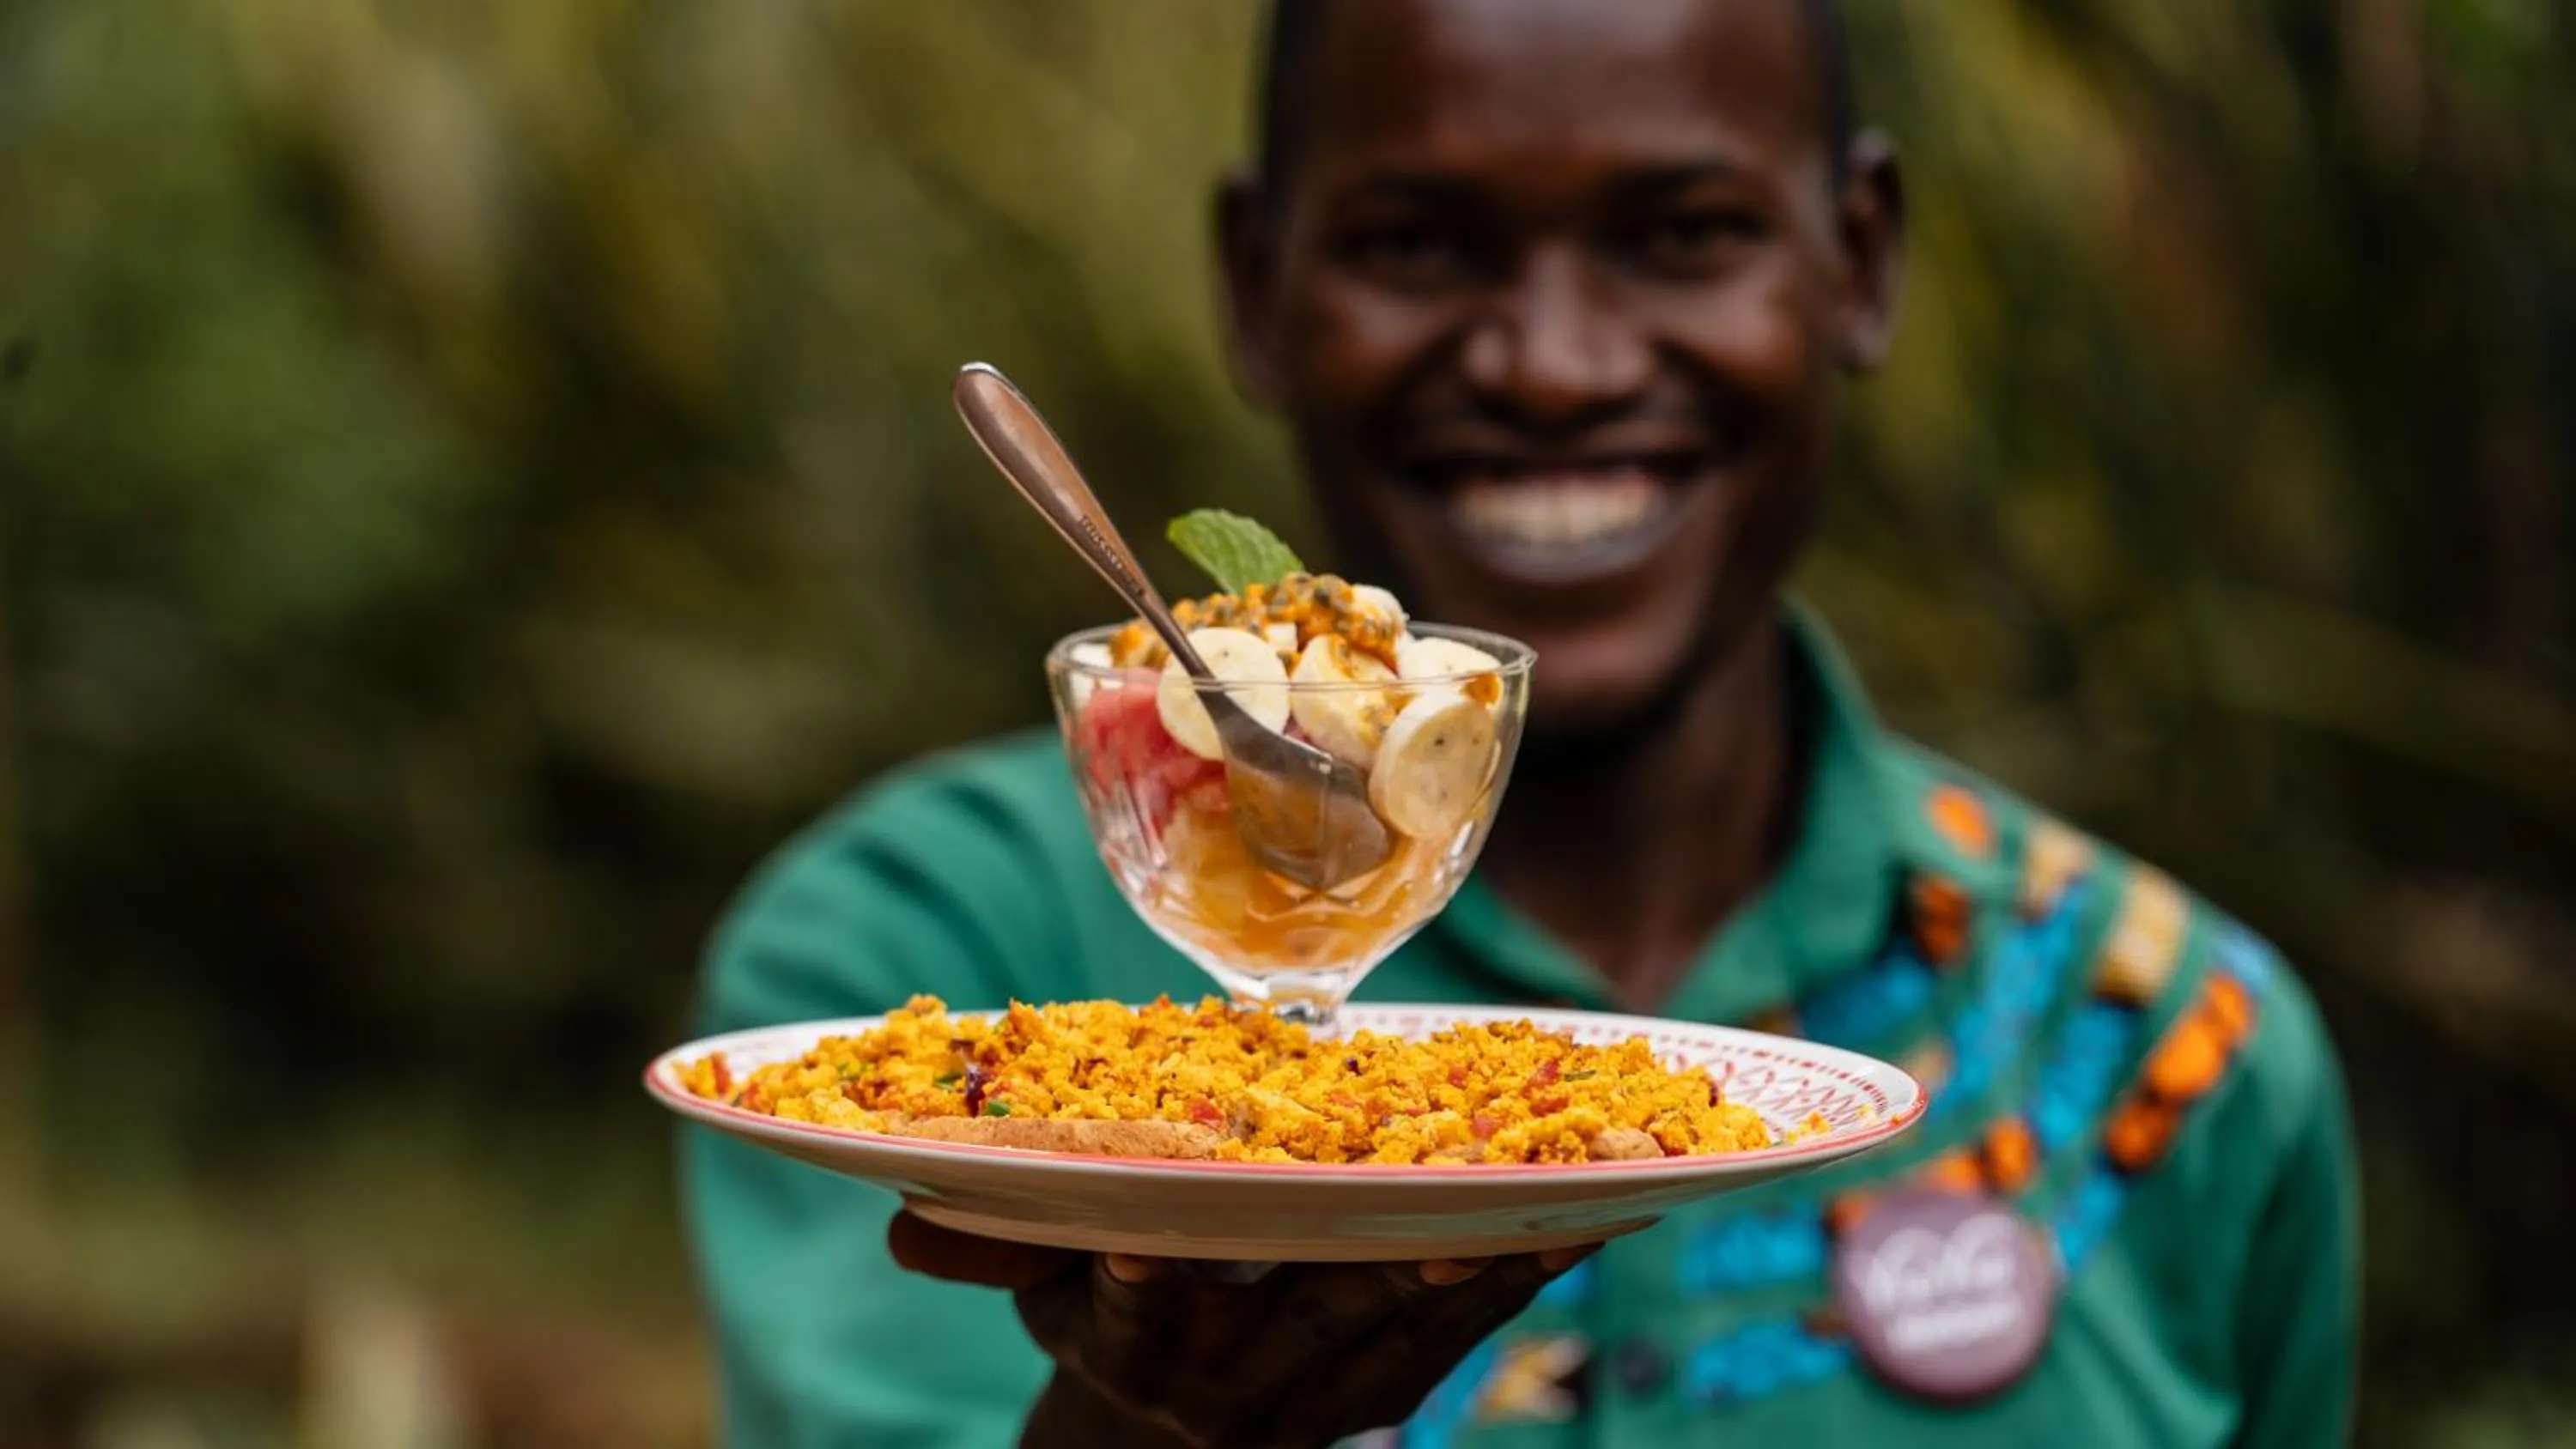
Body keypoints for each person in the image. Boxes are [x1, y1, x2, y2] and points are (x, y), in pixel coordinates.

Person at [681, 1, 2360, 1445]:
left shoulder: (2171, 1041)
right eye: (1420, 245)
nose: (1554, 365)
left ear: (1856, 263)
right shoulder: (921, 976)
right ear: (1259, 286)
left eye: (1684, 230)